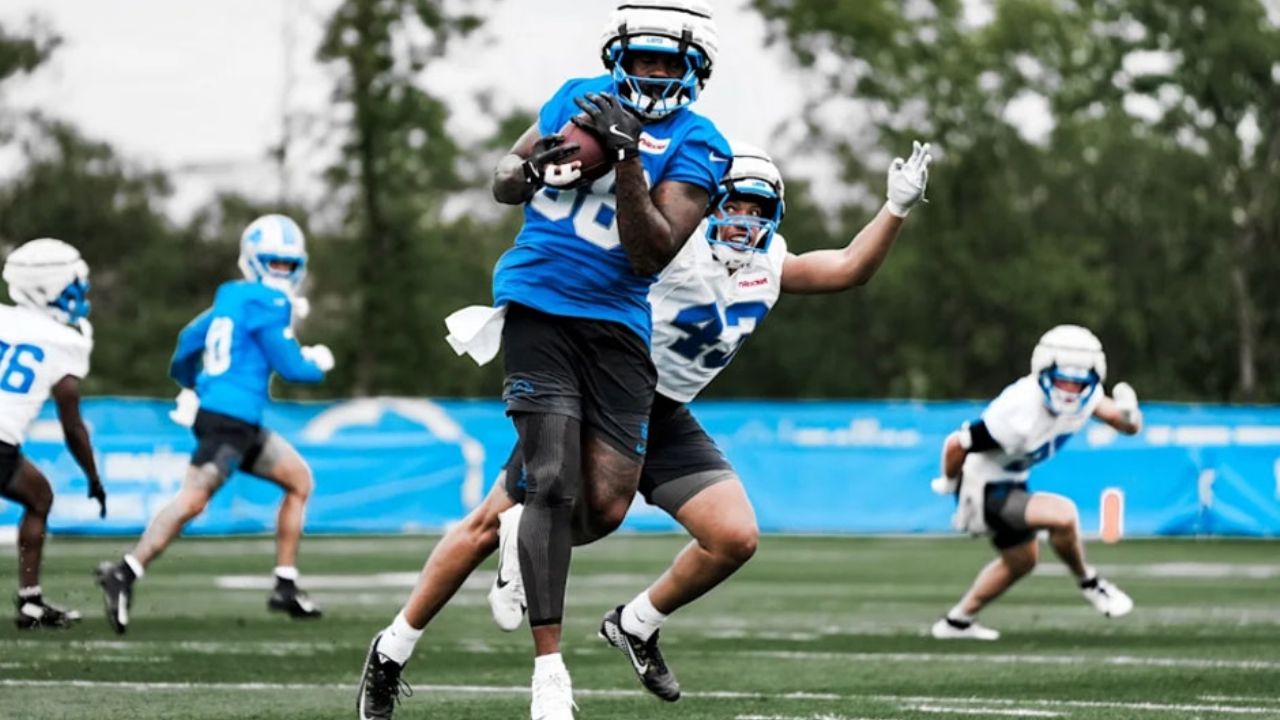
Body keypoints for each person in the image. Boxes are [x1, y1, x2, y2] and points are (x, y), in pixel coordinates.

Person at [355, 138, 931, 717]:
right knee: (486, 526)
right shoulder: (671, 247)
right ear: (707, 203)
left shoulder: (770, 263)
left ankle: (635, 623)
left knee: (733, 536)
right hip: (600, 394)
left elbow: (849, 268)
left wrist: (896, 207)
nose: (743, 220)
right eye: (733, 204)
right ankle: (392, 649)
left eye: (757, 210)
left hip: (666, 413)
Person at [358, 2, 729, 718]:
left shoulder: (700, 143)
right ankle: (548, 676)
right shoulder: (575, 97)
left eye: (668, 61)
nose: (653, 72)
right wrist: (533, 169)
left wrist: (627, 156)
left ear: (693, 70)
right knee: (552, 479)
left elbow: (651, 251)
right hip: (537, 304)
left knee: (605, 506)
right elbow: (503, 179)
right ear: (619, 58)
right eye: (643, 58)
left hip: (617, 329)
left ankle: (504, 548)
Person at [95, 214, 334, 635]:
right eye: (275, 263)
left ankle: (285, 585)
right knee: (193, 500)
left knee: (298, 480)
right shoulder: (271, 303)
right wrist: (317, 361)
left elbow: (187, 343)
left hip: (234, 419)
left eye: (287, 264)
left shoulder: (233, 297)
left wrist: (194, 384)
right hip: (230, 423)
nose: (281, 271)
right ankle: (125, 572)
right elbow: (293, 368)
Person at [928, 324, 1142, 641]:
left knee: (1022, 561)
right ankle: (1091, 583)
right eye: (1062, 380)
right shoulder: (1018, 410)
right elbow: (955, 445)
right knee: (1063, 514)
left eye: (1077, 383)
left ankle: (957, 622)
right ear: (1044, 371)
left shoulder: (1088, 397)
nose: (1069, 390)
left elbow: (1123, 424)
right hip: (982, 486)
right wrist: (950, 485)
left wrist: (1131, 414)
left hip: (1012, 482)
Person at [0, 238, 106, 628]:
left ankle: (30, 601)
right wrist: (92, 476)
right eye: (72, 286)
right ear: (47, 289)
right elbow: (72, 425)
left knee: (38, 495)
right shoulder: (64, 341)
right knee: (39, 497)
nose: (79, 295)